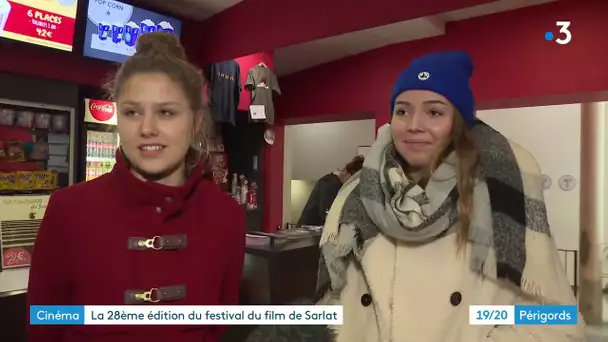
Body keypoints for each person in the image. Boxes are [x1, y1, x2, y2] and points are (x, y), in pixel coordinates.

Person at [247, 51, 585, 341]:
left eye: (434, 112)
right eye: (403, 110)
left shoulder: (503, 189)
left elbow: (556, 320)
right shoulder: (355, 192)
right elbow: (337, 299)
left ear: (458, 122)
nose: (414, 124)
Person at [27, 31, 246, 342]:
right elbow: (43, 328)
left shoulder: (227, 217)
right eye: (132, 112)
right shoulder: (68, 210)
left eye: (166, 112)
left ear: (196, 120)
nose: (146, 129)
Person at [297, 155, 364, 227]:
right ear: (350, 175)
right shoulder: (329, 184)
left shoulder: (332, 182)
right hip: (309, 232)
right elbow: (328, 214)